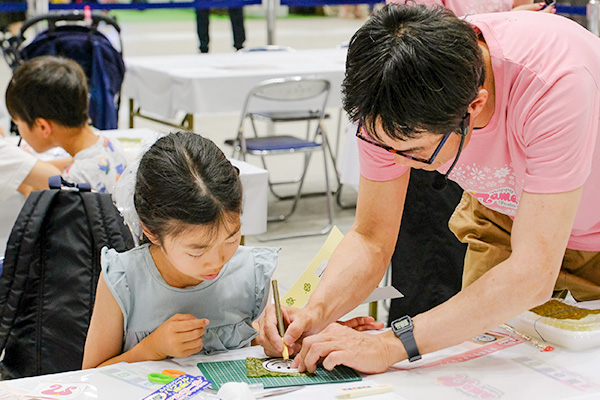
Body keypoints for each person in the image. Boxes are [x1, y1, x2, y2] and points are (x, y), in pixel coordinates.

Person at [256, 4, 600, 373]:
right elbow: (372, 237)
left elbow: (532, 273)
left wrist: (390, 345)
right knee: (501, 366)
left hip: (591, 233)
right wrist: (314, 312)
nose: (398, 163)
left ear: (475, 106)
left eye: (415, 153)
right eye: (384, 145)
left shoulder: (554, 83)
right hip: (502, 215)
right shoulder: (390, 96)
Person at [385, 0, 555, 325]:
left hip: (499, 124)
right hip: (432, 116)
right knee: (435, 271)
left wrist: (513, 27)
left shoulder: (547, 81)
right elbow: (412, 37)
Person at [81, 132, 278, 367]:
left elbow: (256, 350)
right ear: (151, 231)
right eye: (197, 251)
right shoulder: (124, 280)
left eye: (232, 237)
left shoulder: (251, 272)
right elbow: (90, 375)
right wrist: (151, 349)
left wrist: (270, 338)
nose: (218, 260)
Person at [5, 56, 127, 195]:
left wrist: (22, 184)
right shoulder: (110, 143)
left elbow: (48, 211)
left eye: (18, 125)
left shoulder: (75, 180)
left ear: (43, 127)